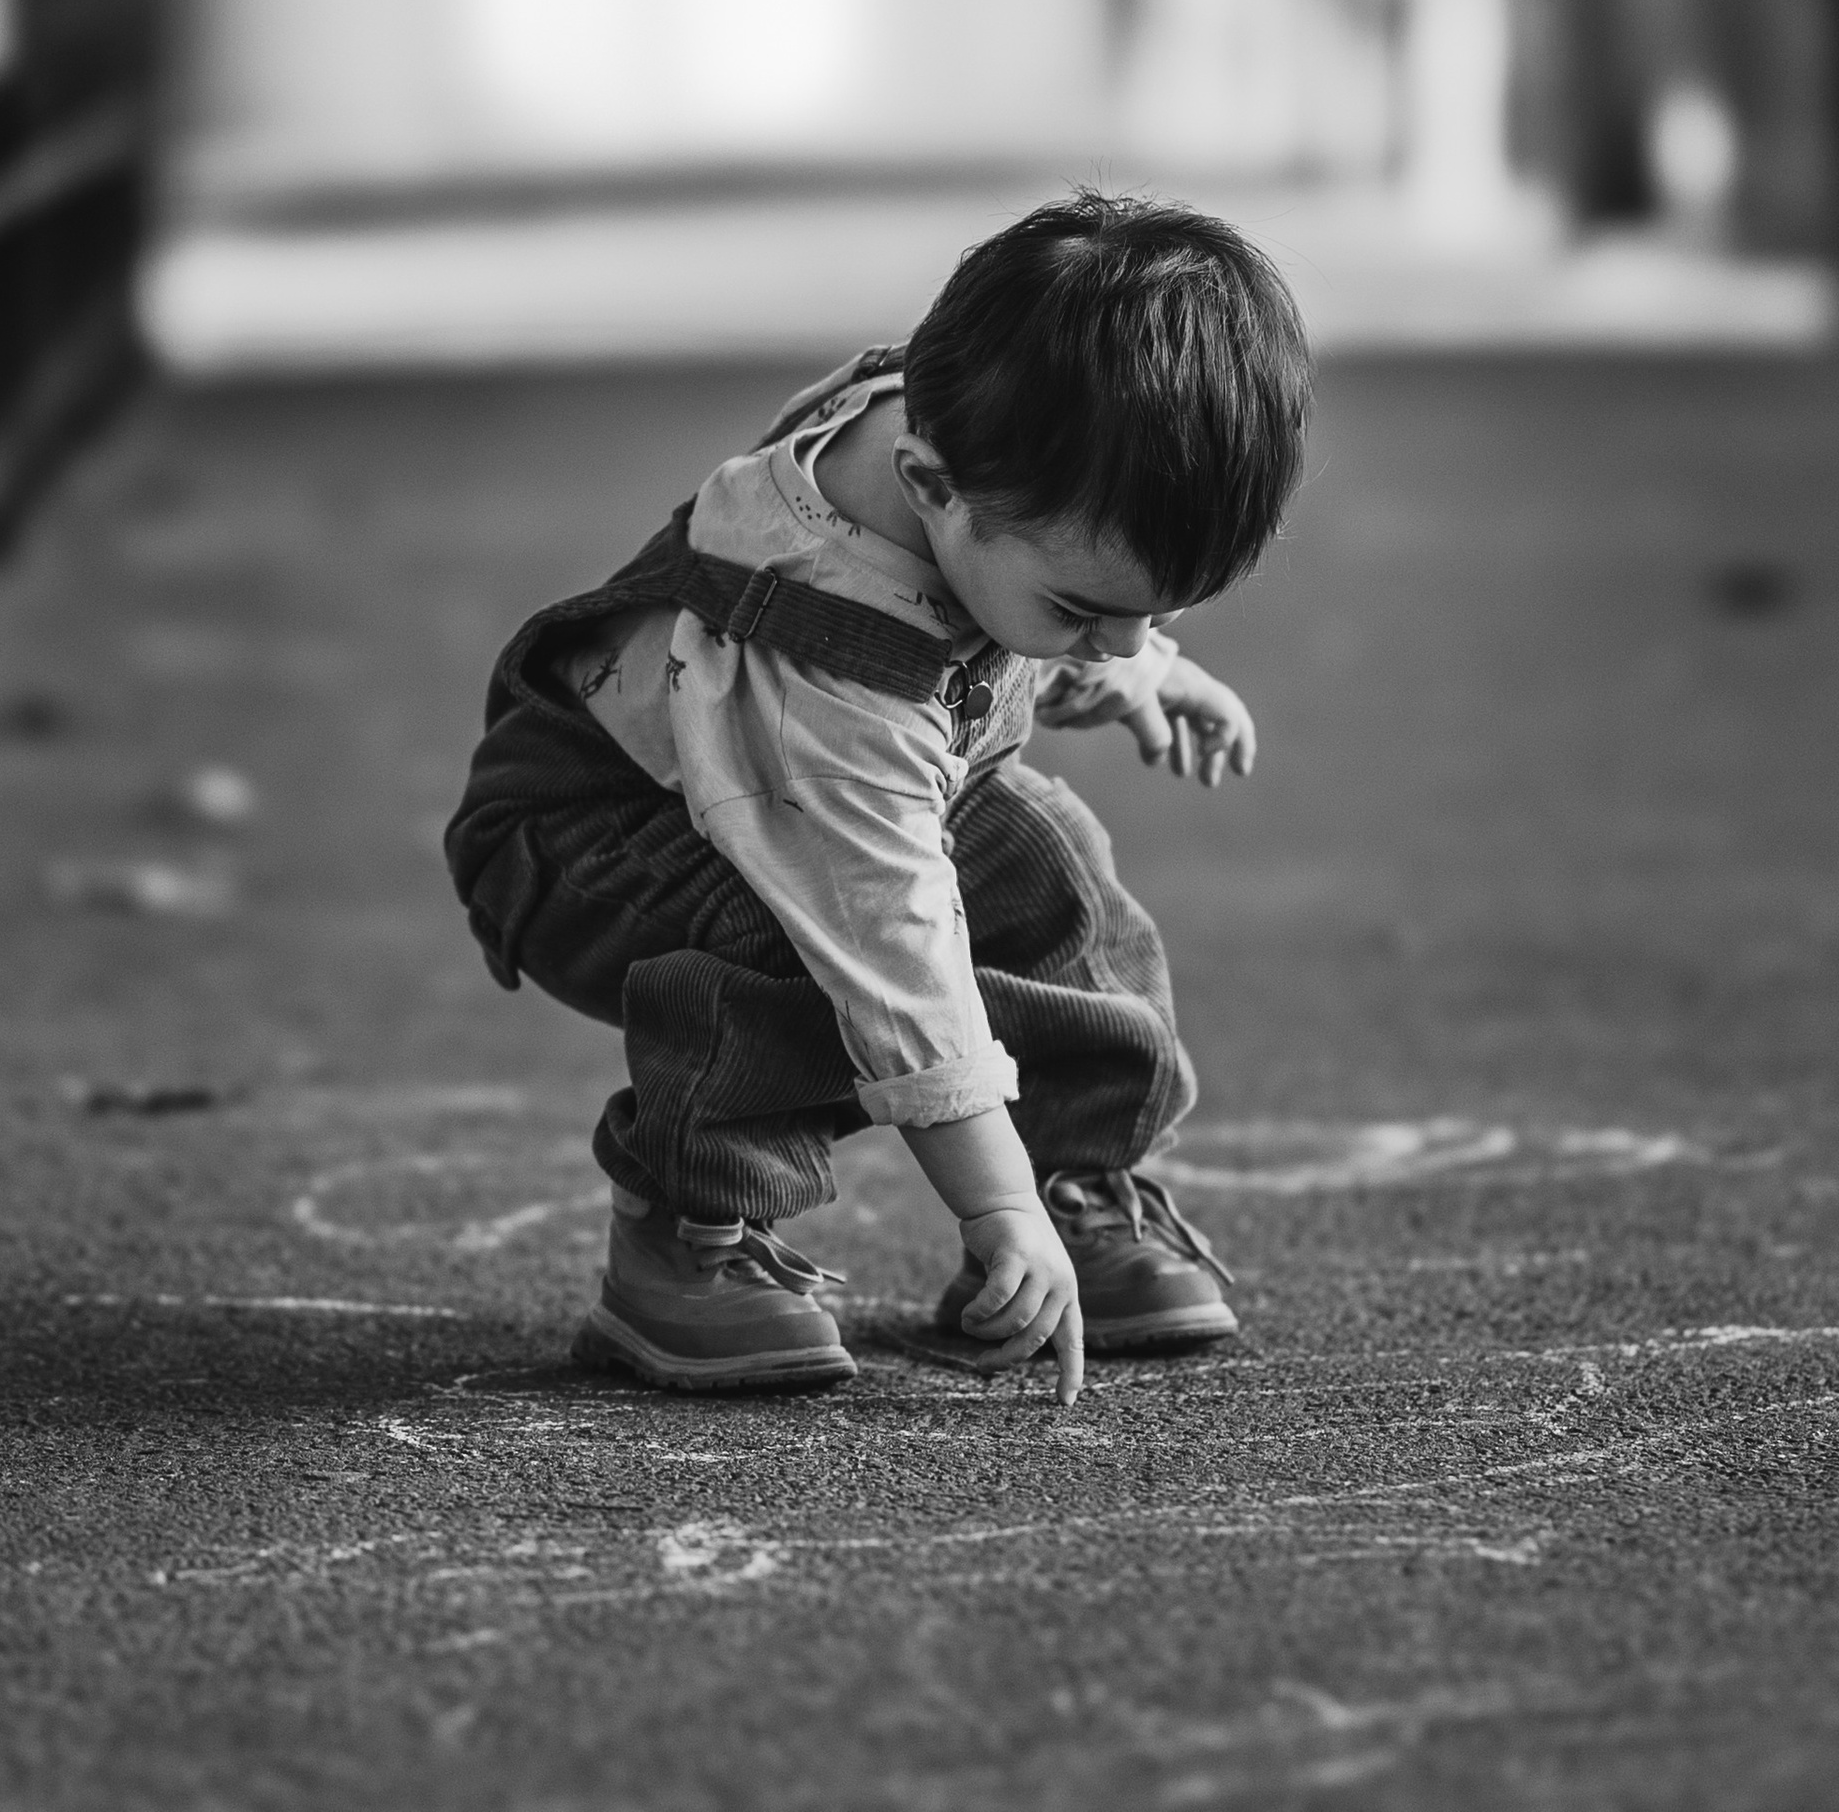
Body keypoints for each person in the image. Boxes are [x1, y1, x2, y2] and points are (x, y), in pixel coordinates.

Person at [445, 191, 1310, 1407]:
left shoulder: (990, 426)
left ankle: (1081, 1187)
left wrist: (1141, 665)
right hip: (587, 842)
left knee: (1050, 863)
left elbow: (1024, 594)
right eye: (1083, 615)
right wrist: (986, 1197)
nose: (1114, 647)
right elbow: (890, 947)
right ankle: (684, 1224)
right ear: (929, 487)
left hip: (761, 791)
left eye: (1153, 615)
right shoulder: (838, 679)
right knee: (806, 945)